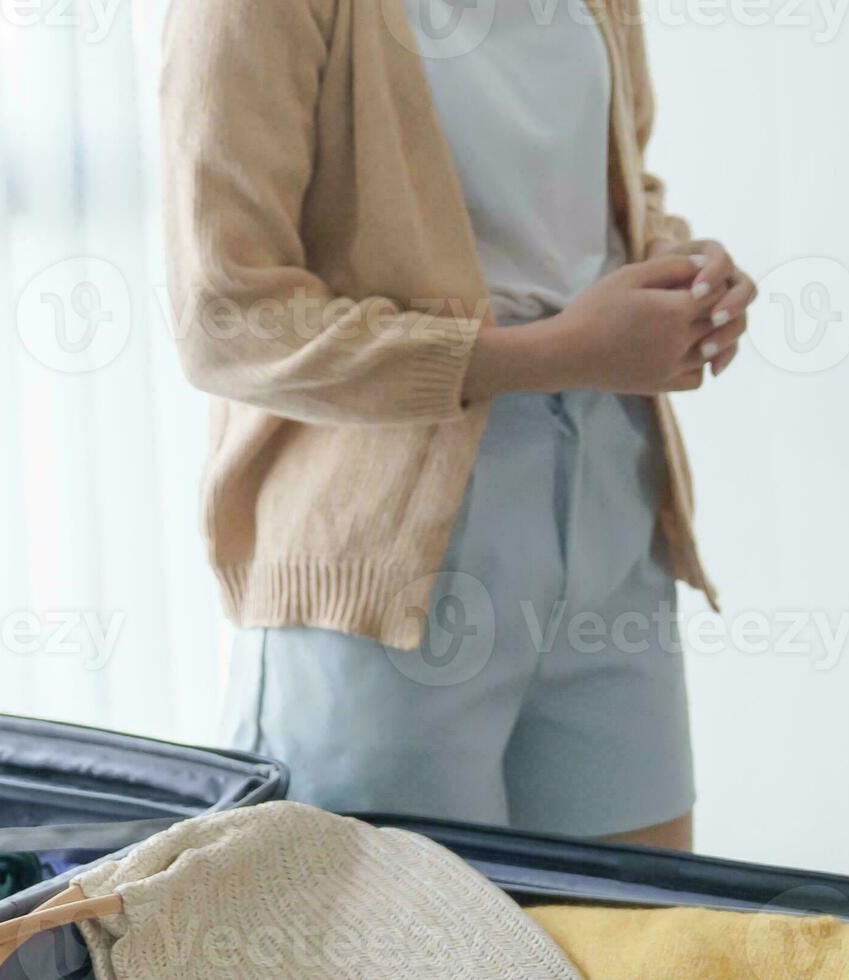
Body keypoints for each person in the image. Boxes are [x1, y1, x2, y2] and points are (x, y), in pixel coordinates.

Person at [159, 0, 754, 851]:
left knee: (642, 941)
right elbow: (228, 317)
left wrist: (687, 275)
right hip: (378, 576)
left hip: (611, 514)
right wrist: (556, 352)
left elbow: (614, 198)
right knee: (407, 943)